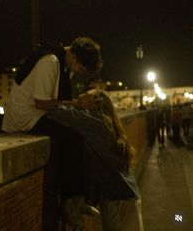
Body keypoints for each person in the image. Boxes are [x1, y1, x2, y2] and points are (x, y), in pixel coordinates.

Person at [1, 37, 103, 230]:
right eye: (80, 67)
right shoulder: (50, 61)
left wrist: (79, 106)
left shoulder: (60, 63)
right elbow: (41, 102)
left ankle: (81, 197)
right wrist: (77, 104)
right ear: (73, 55)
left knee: (82, 128)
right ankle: (71, 201)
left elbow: (57, 101)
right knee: (74, 134)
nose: (79, 72)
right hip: (25, 118)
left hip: (35, 115)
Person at [47, 89, 144, 231]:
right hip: (125, 194)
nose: (81, 95)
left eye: (86, 96)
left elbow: (55, 111)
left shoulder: (95, 123)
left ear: (95, 103)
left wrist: (75, 103)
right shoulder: (105, 121)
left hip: (118, 197)